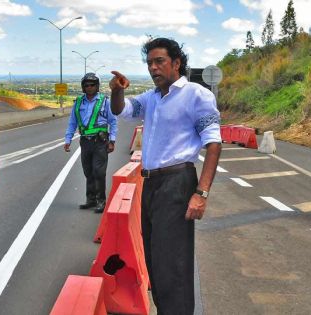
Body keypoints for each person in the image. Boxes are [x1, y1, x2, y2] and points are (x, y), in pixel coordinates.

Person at [109, 38, 222, 314]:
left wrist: (201, 193)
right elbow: (120, 110)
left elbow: (214, 144)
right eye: (149, 63)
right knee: (155, 260)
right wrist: (117, 91)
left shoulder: (196, 95)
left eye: (159, 61)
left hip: (177, 182)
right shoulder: (152, 98)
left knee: (172, 263)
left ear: (176, 63)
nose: (153, 68)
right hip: (152, 184)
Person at [64, 72, 118, 213]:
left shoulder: (104, 101)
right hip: (85, 142)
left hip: (100, 142)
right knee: (88, 171)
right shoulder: (78, 103)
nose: (89, 87)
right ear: (83, 87)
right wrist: (68, 139)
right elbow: (72, 122)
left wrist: (112, 140)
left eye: (92, 85)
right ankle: (91, 199)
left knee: (99, 172)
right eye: (86, 85)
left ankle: (101, 201)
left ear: (97, 86)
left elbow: (113, 122)